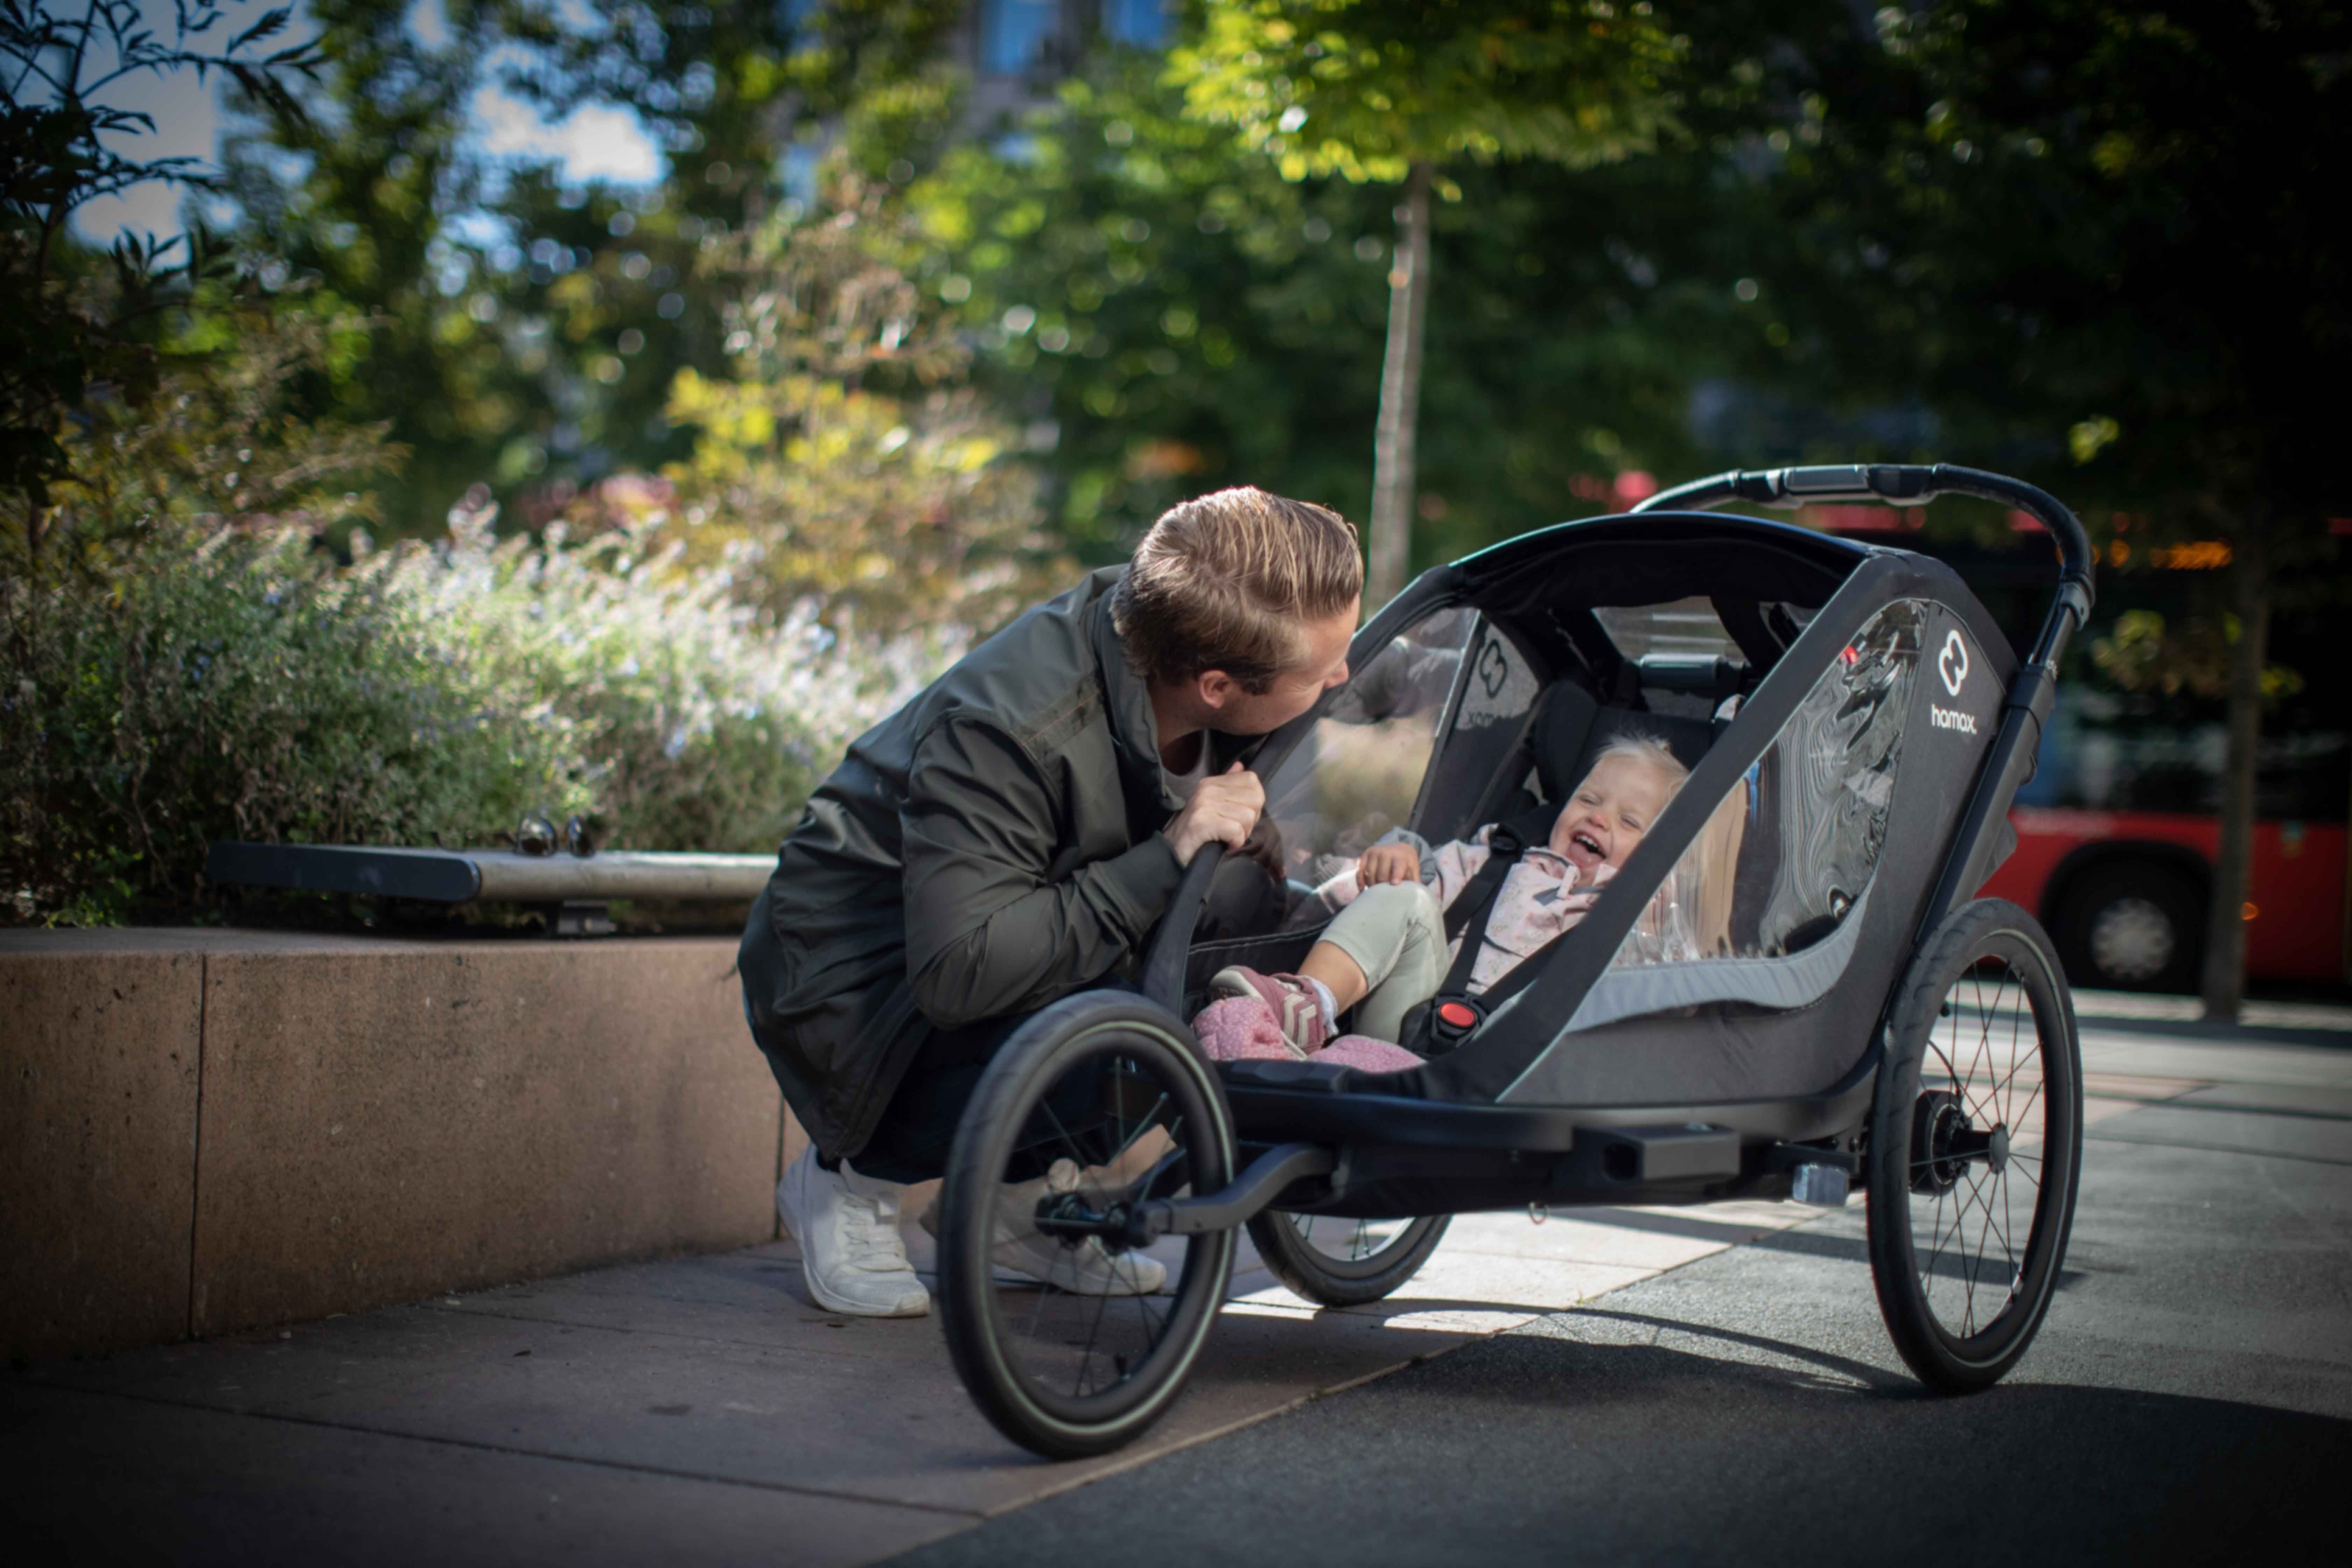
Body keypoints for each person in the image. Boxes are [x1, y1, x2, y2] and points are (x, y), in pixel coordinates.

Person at [739, 487, 1362, 1317]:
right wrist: (1166, 855)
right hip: (861, 992)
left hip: (1010, 928)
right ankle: (848, 1175)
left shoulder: (1189, 633)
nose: (1341, 675)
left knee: (1234, 946)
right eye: (1322, 669)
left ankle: (1019, 1207)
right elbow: (961, 970)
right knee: (1139, 1035)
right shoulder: (1005, 728)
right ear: (1217, 685)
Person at [1208, 737, 1691, 1052]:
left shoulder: (1640, 925)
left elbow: (1676, 986)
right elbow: (1393, 904)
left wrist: (1665, 896)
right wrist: (1397, 859)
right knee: (1405, 895)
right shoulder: (1493, 862)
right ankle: (1307, 1008)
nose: (1598, 818)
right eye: (1588, 799)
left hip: (1511, 1068)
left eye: (1629, 821)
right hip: (1407, 1027)